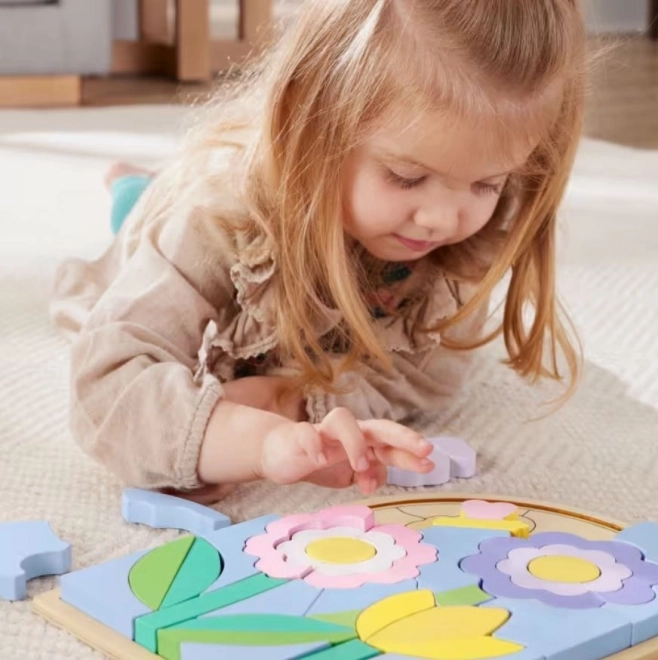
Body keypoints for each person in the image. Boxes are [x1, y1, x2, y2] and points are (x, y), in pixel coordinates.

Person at [51, 0, 587, 503]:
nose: (445, 219)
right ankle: (131, 188)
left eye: (486, 184)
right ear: (309, 125)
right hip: (195, 203)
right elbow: (107, 384)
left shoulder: (458, 239)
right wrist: (243, 438)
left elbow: (432, 374)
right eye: (407, 176)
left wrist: (299, 402)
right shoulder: (217, 215)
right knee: (142, 212)